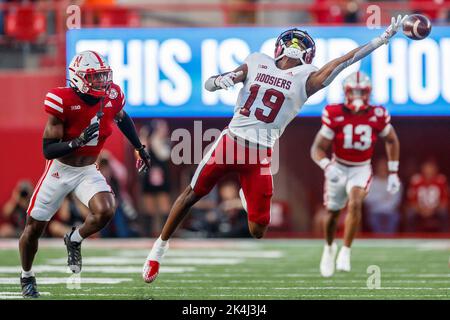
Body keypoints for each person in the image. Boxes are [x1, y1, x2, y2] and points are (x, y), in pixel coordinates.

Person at [142, 15, 408, 283]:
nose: (295, 44)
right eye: (291, 39)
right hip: (230, 142)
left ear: (308, 54)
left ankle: (247, 196)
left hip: (260, 155)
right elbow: (211, 83)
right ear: (279, 46)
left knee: (258, 230)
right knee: (192, 194)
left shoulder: (307, 79)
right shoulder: (258, 61)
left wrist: (381, 39)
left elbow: (343, 61)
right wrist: (224, 79)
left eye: (301, 42)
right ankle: (157, 251)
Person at [19, 50, 151, 298]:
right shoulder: (62, 99)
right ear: (79, 78)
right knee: (33, 228)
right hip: (60, 169)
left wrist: (139, 147)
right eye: (95, 76)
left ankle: (75, 239)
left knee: (106, 211)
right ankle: (26, 276)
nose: (102, 81)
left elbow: (122, 117)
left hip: (87, 169)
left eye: (103, 75)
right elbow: (48, 150)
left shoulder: (112, 96)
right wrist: (77, 141)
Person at [310, 71, 401, 277]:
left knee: (355, 202)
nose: (358, 96)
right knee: (333, 212)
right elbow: (317, 149)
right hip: (339, 166)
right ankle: (329, 247)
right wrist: (327, 166)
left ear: (368, 93)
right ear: (346, 93)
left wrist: (393, 172)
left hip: (361, 167)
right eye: (354, 91)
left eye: (362, 92)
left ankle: (346, 251)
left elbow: (392, 140)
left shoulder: (377, 114)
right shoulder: (334, 113)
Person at [139, 120, 172, 237]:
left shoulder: (165, 142)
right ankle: (148, 232)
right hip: (148, 174)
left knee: (164, 204)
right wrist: (143, 138)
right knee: (149, 206)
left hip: (162, 175)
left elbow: (163, 155)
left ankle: (166, 232)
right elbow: (141, 155)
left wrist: (155, 139)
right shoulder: (146, 141)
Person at [406, 159, 449, 232]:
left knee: (444, 213)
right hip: (419, 209)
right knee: (410, 214)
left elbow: (445, 199)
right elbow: (411, 200)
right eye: (427, 168)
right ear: (422, 169)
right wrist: (421, 210)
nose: (429, 171)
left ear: (436, 169)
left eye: (431, 168)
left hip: (436, 209)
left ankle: (444, 237)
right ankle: (410, 237)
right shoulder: (416, 180)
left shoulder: (441, 180)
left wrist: (433, 209)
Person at [365, 158, 402, 234]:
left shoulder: (395, 181)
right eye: (381, 166)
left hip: (390, 212)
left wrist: (379, 201)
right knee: (373, 219)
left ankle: (390, 242)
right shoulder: (371, 181)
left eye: (384, 166)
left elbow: (396, 201)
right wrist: (382, 197)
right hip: (375, 211)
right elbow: (367, 199)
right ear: (377, 167)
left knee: (395, 218)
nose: (383, 168)